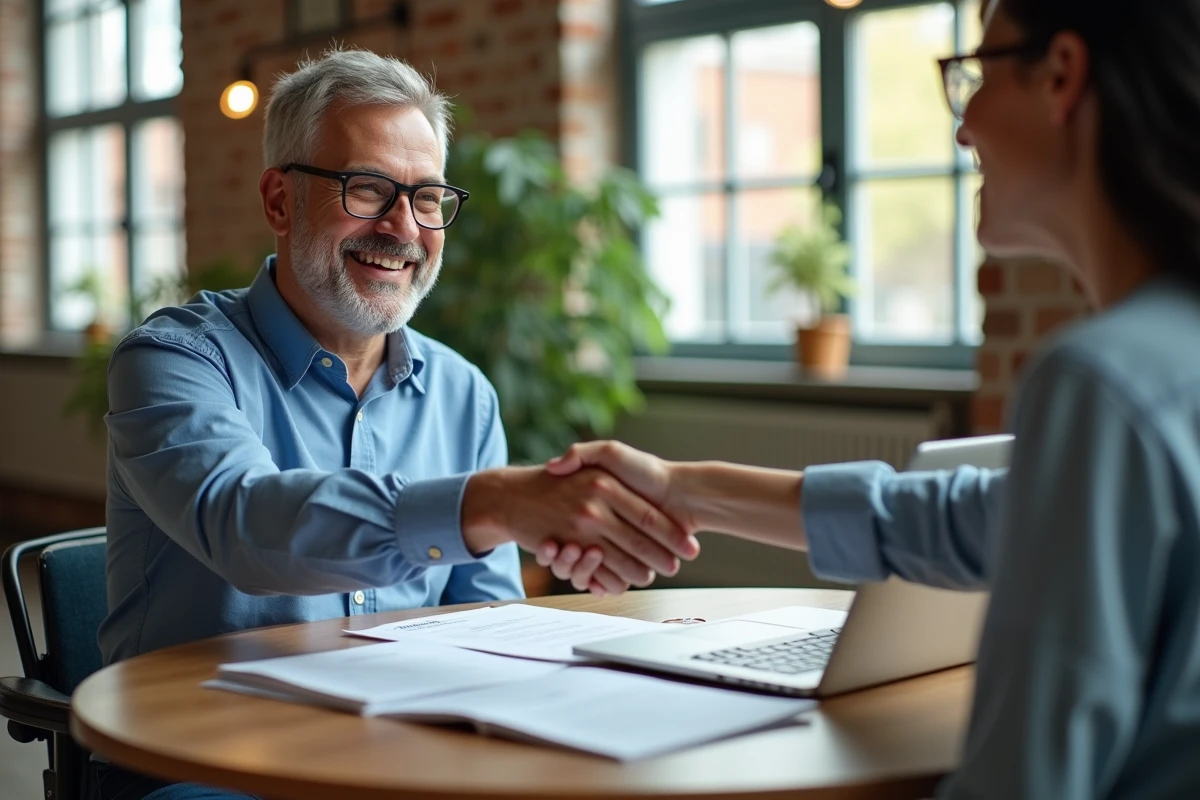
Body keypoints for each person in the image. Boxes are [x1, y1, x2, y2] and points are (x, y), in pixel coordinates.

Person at [540, 0, 1200, 796]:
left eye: (978, 75)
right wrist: (685, 490)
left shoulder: (1102, 383)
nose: (965, 127)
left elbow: (1024, 781)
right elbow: (955, 520)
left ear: (1061, 74)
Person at [94, 49, 697, 800]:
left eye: (428, 198)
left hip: (395, 757)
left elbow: (486, 626)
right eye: (369, 189)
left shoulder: (463, 392)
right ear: (280, 201)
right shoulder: (173, 359)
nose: (403, 228)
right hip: (203, 761)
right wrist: (490, 504)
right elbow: (243, 522)